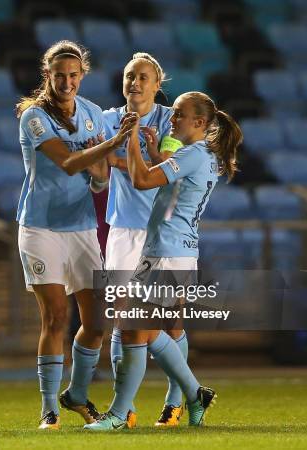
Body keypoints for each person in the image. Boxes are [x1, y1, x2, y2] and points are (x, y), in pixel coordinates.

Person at [85, 91, 242, 430]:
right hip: (169, 251)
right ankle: (193, 393)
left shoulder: (192, 155)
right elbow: (169, 182)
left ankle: (118, 414)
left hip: (168, 253)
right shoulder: (201, 155)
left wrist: (128, 141)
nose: (172, 119)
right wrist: (155, 154)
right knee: (141, 329)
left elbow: (142, 181)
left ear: (199, 123)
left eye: (180, 115)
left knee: (132, 329)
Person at [15, 40, 138, 430]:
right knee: (55, 317)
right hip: (41, 227)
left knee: (98, 321)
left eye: (73, 75)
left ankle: (77, 394)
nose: (67, 82)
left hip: (82, 226)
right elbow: (68, 163)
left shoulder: (91, 114)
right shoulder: (34, 116)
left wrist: (102, 170)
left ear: (82, 76)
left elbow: (98, 176)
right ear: (47, 76)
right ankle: (49, 408)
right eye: (59, 75)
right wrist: (113, 143)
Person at [99, 52, 189, 427]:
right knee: (123, 319)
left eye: (142, 77)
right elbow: (95, 161)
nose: (134, 82)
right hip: (122, 229)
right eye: (129, 76)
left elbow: (164, 170)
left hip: (164, 230)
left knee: (171, 319)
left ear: (157, 84)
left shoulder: (172, 120)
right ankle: (127, 407)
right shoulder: (106, 119)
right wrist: (114, 156)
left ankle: (177, 398)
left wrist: (120, 156)